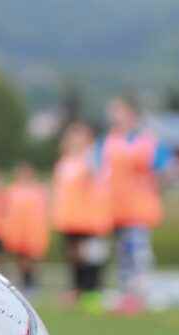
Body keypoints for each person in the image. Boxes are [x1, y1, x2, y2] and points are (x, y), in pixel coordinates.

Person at [94, 96, 175, 312]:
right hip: (115, 211)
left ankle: (140, 297)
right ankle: (126, 296)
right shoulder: (108, 141)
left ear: (131, 114)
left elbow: (167, 170)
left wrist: (156, 187)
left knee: (137, 255)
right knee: (122, 256)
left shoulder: (146, 142)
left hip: (138, 211)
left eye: (118, 111)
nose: (113, 116)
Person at [52, 122, 112, 313]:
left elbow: (99, 177)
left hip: (88, 221)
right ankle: (75, 291)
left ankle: (92, 294)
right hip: (68, 219)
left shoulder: (90, 160)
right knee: (73, 259)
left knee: (91, 259)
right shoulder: (64, 162)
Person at [2, 163, 50, 295]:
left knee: (32, 260)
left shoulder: (39, 190)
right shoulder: (12, 190)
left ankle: (32, 284)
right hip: (17, 232)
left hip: (33, 231)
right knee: (21, 259)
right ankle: (24, 283)